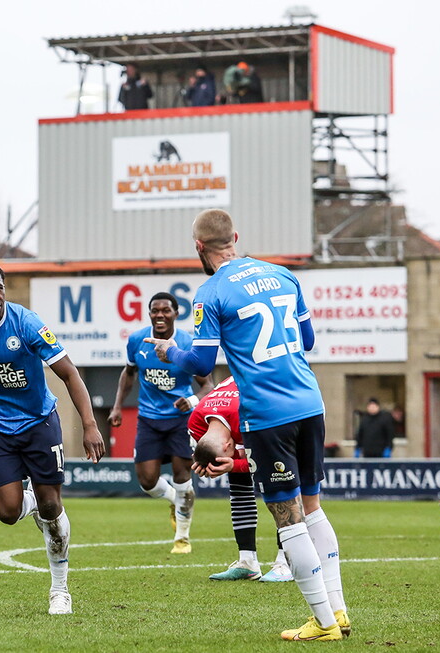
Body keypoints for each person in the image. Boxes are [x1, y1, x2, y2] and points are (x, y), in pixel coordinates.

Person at [144, 209, 349, 641]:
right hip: (311, 402)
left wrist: (168, 354)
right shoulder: (283, 275)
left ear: (198, 247)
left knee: (289, 520)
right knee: (313, 508)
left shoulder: (210, 292)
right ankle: (339, 610)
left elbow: (200, 361)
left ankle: (324, 623)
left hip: (268, 413)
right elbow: (308, 341)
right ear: (235, 237)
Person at [0, 259, 105, 616]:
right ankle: (29, 498)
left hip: (39, 424)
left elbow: (69, 373)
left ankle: (59, 589)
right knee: (7, 512)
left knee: (51, 508)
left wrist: (90, 424)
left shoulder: (26, 323)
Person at [108, 292, 214, 554]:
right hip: (149, 419)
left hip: (180, 421)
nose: (160, 315)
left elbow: (208, 385)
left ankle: (182, 538)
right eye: (155, 310)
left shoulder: (189, 343)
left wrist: (191, 400)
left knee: (181, 476)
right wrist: (118, 405)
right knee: (146, 481)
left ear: (177, 314)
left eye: (166, 310)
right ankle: (174, 501)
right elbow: (129, 372)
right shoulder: (137, 340)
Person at [188, 376, 293, 583]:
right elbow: (207, 450)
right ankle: (248, 563)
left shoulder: (249, 413)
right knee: (238, 483)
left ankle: (286, 562)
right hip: (252, 413)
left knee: (281, 487)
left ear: (229, 446)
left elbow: (269, 459)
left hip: (290, 413)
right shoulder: (195, 422)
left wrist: (235, 463)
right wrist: (209, 464)